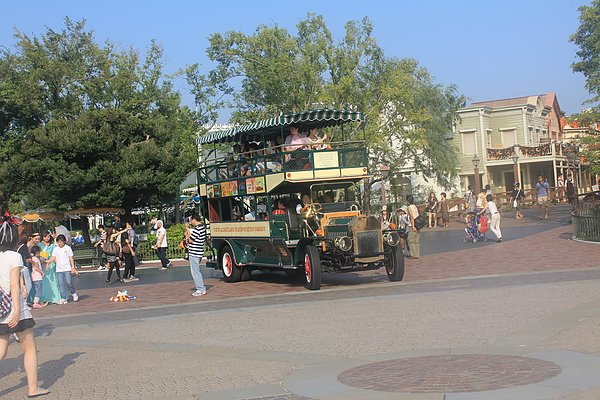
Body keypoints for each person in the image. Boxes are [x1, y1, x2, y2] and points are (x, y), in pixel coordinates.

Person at [0, 218, 50, 398]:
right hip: (15, 309)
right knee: (29, 348)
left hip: (0, 308)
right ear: (15, 238)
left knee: (1, 350)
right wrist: (16, 310)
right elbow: (14, 284)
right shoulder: (15, 256)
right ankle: (33, 388)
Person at [45, 234, 79, 304]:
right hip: (59, 269)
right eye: (58, 242)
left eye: (61, 242)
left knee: (69, 282)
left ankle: (74, 292)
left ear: (64, 241)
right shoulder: (56, 249)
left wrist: (73, 267)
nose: (59, 243)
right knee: (61, 284)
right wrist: (48, 263)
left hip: (67, 268)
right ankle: (63, 298)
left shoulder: (68, 248)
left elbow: (71, 258)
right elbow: (53, 257)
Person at [38, 231, 61, 304]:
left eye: (48, 236)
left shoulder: (53, 245)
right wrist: (44, 261)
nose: (47, 238)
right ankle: (44, 297)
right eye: (45, 236)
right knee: (44, 281)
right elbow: (39, 255)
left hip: (51, 264)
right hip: (42, 264)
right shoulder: (39, 245)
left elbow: (54, 255)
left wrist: (49, 261)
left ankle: (55, 298)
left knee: (53, 281)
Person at [187, 214, 207, 297]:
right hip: (199, 252)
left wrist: (187, 232)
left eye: (191, 220)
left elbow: (190, 240)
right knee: (195, 271)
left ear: (194, 219)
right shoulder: (202, 228)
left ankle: (200, 289)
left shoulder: (197, 229)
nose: (191, 222)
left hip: (194, 253)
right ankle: (200, 288)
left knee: (195, 272)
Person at [406, 194, 421, 259]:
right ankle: (417, 254)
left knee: (411, 240)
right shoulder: (415, 206)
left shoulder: (409, 207)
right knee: (416, 240)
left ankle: (412, 254)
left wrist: (412, 226)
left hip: (412, 224)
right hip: (418, 225)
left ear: (408, 200)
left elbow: (412, 217)